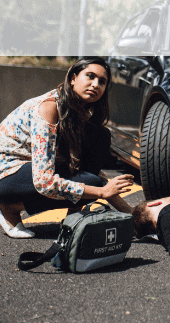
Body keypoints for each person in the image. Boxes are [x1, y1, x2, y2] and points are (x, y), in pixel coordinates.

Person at [0, 57, 134, 238]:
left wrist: (133, 216)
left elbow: (88, 172)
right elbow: (44, 182)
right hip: (7, 172)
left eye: (102, 82)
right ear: (73, 78)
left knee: (101, 137)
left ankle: (73, 218)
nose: (95, 85)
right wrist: (101, 192)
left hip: (31, 169)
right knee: (91, 185)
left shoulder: (79, 112)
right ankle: (9, 208)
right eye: (90, 76)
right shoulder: (49, 107)